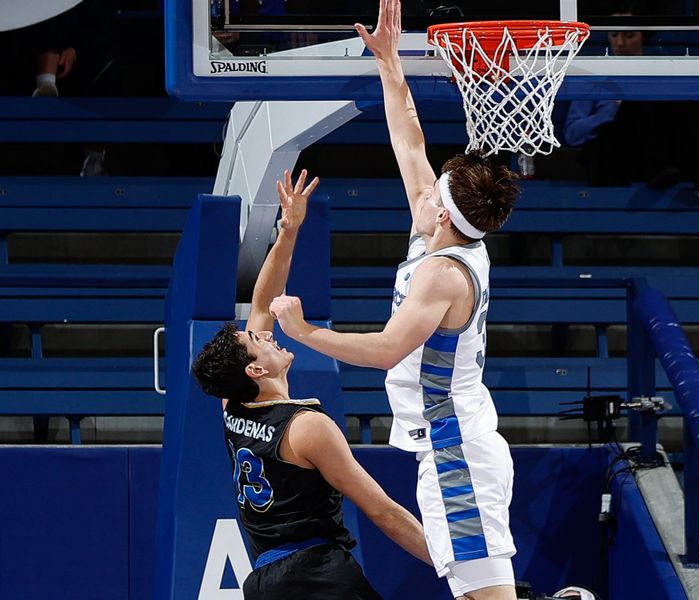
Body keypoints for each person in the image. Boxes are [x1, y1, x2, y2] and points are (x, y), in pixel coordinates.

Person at [269, 2, 519, 598]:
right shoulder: (438, 231)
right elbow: (409, 140)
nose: (427, 184)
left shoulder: (444, 274)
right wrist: (390, 62)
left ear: (443, 211)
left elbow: (385, 351)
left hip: (456, 448)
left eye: (438, 188)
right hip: (447, 441)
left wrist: (303, 333)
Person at [191, 169, 431, 599]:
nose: (265, 333)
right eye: (256, 340)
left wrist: (289, 230)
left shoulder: (232, 407)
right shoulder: (306, 427)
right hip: (316, 574)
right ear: (255, 371)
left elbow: (262, 302)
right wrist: (459, 566)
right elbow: (382, 511)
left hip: (264, 580)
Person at [562, 4, 699, 190]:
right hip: (614, 158)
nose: (620, 43)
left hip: (664, 154)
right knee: (637, 102)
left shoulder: (659, 74)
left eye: (629, 35)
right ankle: (659, 167)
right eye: (614, 35)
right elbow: (572, 133)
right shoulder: (594, 80)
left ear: (642, 37)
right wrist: (612, 111)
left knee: (680, 96)